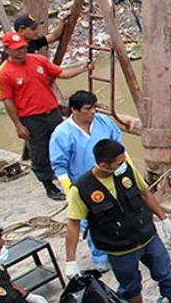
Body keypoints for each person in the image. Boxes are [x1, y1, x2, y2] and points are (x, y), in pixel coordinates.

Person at [64, 140, 171, 303]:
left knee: (167, 276)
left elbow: (144, 194)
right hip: (119, 249)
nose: (123, 165)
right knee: (130, 287)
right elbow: (73, 224)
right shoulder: (82, 189)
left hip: (147, 237)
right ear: (104, 165)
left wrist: (164, 218)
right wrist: (70, 260)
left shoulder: (127, 170)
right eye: (118, 163)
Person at [0, 31, 94, 201]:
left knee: (65, 144)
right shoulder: (4, 74)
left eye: (24, 47)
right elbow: (8, 101)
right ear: (7, 49)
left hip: (52, 112)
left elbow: (59, 73)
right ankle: (48, 184)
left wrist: (82, 69)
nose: (22, 51)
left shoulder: (38, 60)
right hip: (32, 119)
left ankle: (71, 174)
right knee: (39, 152)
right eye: (17, 49)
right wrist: (19, 125)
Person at [49, 91, 123, 271]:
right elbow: (60, 166)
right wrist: (69, 189)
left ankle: (121, 246)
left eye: (95, 107)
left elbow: (119, 146)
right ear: (74, 110)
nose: (93, 112)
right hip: (85, 185)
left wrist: (124, 169)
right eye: (88, 109)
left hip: (111, 177)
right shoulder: (62, 134)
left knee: (118, 213)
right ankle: (100, 255)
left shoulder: (104, 123)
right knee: (92, 221)